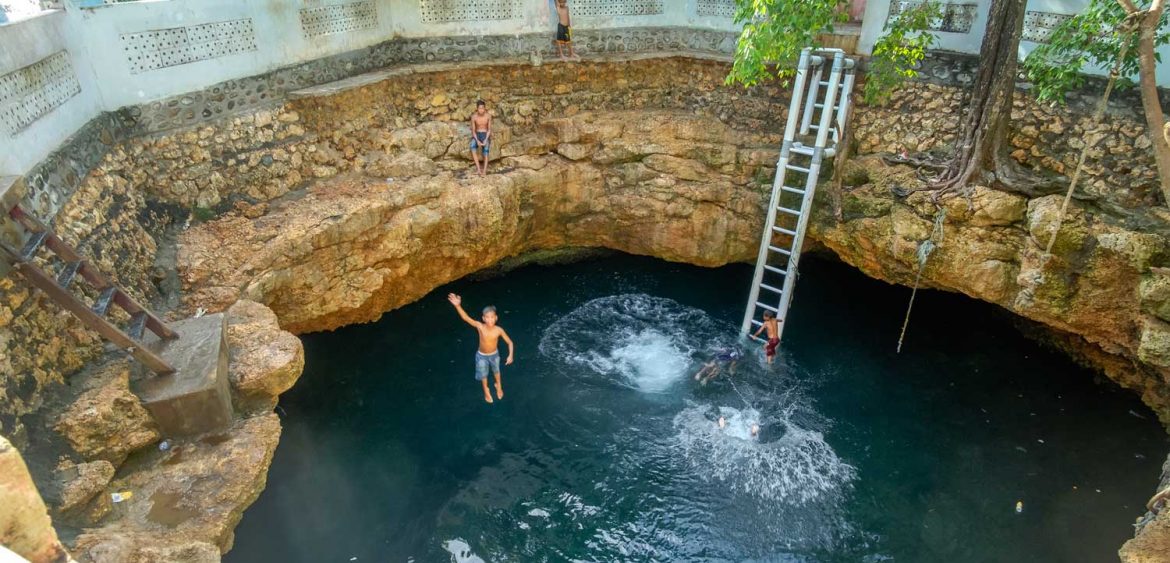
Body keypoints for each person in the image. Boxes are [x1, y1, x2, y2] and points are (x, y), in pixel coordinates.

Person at [448, 293, 514, 403]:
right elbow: (465, 318)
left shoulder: (499, 330)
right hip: (482, 356)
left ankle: (498, 385)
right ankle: (486, 390)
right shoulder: (480, 326)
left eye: (492, 317)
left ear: (496, 318)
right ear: (483, 318)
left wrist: (510, 355)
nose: (490, 320)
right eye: (487, 317)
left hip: (494, 354)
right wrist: (457, 305)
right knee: (483, 375)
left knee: (497, 371)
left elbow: (510, 342)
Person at [469, 100, 492, 176]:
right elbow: (473, 131)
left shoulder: (488, 116)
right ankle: (478, 170)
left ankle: (484, 171)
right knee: (472, 146)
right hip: (477, 134)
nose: (481, 110)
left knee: (486, 150)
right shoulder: (474, 117)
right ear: (477, 109)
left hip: (485, 134)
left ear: (485, 108)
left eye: (482, 108)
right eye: (479, 108)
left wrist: (485, 140)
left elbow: (489, 130)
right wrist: (477, 140)